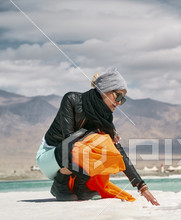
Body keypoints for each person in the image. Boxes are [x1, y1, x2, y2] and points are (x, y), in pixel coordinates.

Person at [36, 68, 159, 206]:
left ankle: (80, 187)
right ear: (104, 91)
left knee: (108, 146)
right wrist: (94, 134)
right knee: (92, 142)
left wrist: (142, 187)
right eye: (118, 96)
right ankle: (60, 184)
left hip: (73, 158)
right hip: (51, 156)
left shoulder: (104, 118)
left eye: (122, 100)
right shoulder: (72, 100)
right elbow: (68, 141)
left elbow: (118, 152)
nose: (119, 102)